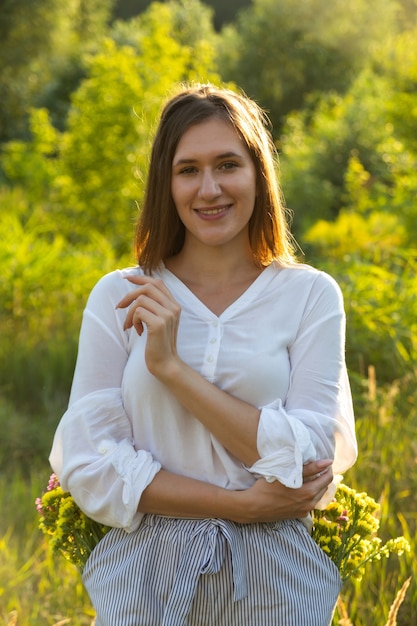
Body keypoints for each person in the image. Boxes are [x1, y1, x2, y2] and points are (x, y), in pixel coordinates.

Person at [50, 84, 357, 626]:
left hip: (275, 583)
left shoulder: (310, 295)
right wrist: (241, 506)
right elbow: (90, 462)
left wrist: (171, 370)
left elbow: (307, 459)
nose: (209, 188)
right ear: (164, 184)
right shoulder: (121, 293)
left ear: (258, 174)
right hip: (145, 580)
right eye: (187, 169)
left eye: (227, 165)